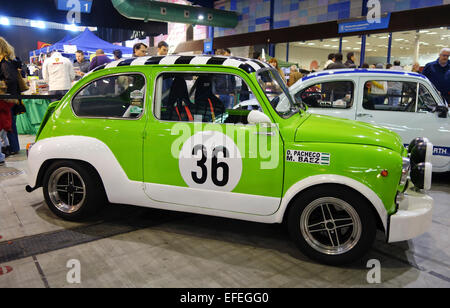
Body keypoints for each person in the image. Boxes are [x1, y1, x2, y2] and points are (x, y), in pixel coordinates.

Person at [0, 37, 20, 156]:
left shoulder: (4, 62)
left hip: (6, 98)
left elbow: (11, 79)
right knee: (8, 124)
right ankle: (12, 147)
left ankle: (11, 148)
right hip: (9, 97)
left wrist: (7, 95)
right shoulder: (9, 61)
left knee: (7, 124)